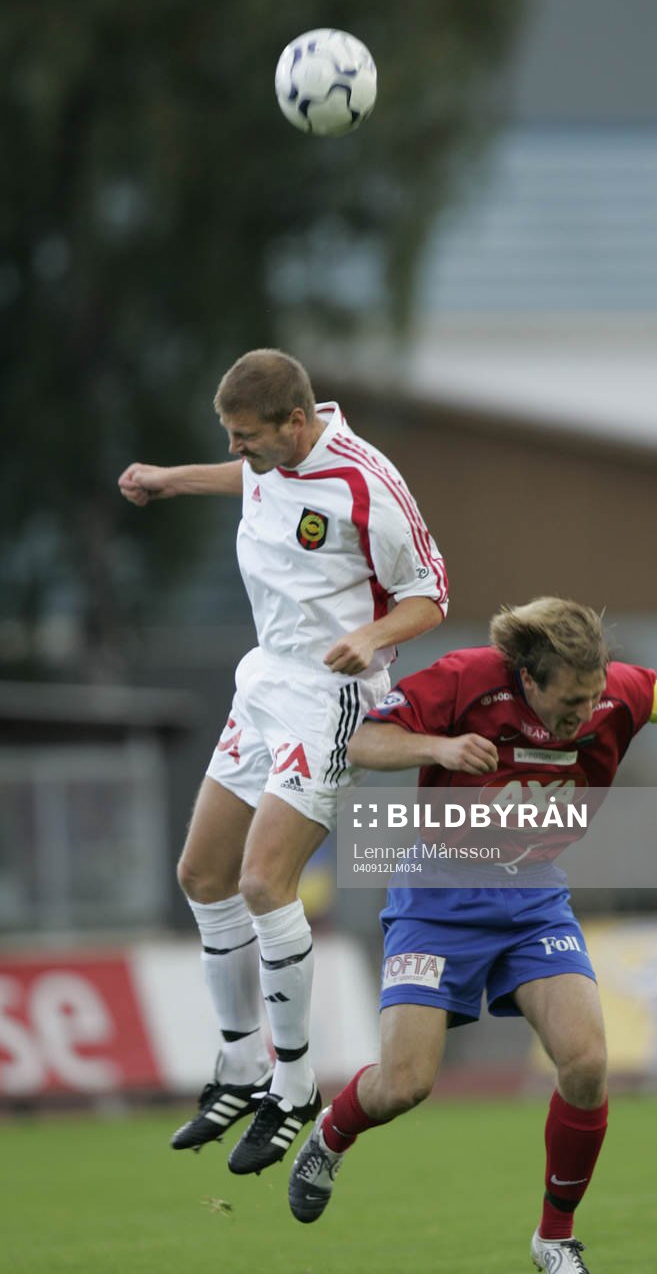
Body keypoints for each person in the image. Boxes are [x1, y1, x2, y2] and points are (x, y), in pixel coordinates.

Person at [286, 597, 657, 1274]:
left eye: (593, 694)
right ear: (527, 681)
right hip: (438, 894)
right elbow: (362, 740)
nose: (584, 712)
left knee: (585, 1062)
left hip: (533, 892)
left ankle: (554, 1238)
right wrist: (439, 745)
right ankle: (330, 1135)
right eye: (569, 700)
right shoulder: (463, 677)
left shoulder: (619, 691)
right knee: (403, 1086)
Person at [118, 349, 448, 1175]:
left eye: (246, 437)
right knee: (202, 873)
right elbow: (254, 482)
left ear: (294, 424)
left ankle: (295, 1084)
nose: (238, 451)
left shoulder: (368, 484)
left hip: (328, 695)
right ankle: (239, 1066)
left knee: (266, 883)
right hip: (263, 675)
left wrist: (370, 637)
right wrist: (169, 479)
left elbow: (432, 590)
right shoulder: (271, 458)